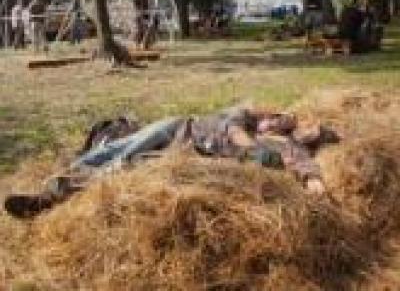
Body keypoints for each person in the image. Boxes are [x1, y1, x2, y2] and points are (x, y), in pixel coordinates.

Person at [4, 107, 338, 218]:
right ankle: (60, 179)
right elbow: (234, 124)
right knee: (115, 151)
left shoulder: (286, 147)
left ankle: (51, 197)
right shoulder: (247, 119)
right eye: (277, 116)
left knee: (122, 166)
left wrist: (316, 186)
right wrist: (251, 144)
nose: (276, 121)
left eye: (284, 122)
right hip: (178, 127)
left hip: (181, 154)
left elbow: (307, 170)